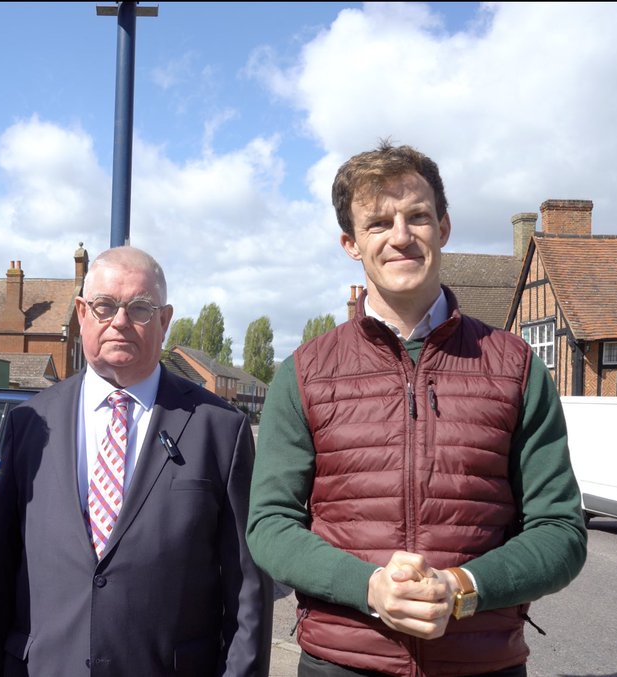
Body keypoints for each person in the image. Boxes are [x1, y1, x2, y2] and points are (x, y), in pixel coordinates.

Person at [247, 141, 587, 677]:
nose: (401, 236)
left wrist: (460, 589)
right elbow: (270, 524)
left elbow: (560, 530)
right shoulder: (304, 373)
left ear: (444, 227)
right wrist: (371, 588)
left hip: (481, 664)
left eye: (418, 216)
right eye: (378, 223)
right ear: (351, 243)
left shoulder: (516, 367)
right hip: (341, 663)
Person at [0, 246, 272, 676]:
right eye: (105, 306)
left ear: (164, 320)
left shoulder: (220, 429)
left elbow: (247, 592)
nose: (121, 321)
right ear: (81, 313)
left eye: (141, 308)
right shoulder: (30, 422)